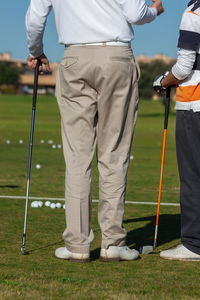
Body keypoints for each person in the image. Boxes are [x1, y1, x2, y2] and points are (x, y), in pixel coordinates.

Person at [26, 0, 164, 262]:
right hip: (116, 57)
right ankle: (112, 243)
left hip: (75, 57)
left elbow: (35, 19)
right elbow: (136, 14)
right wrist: (155, 10)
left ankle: (77, 244)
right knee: (113, 152)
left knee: (77, 156)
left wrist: (36, 50)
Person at [153, 0, 200, 261]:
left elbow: (184, 67)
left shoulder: (193, 13)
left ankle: (194, 244)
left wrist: (163, 81)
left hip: (195, 103)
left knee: (193, 176)